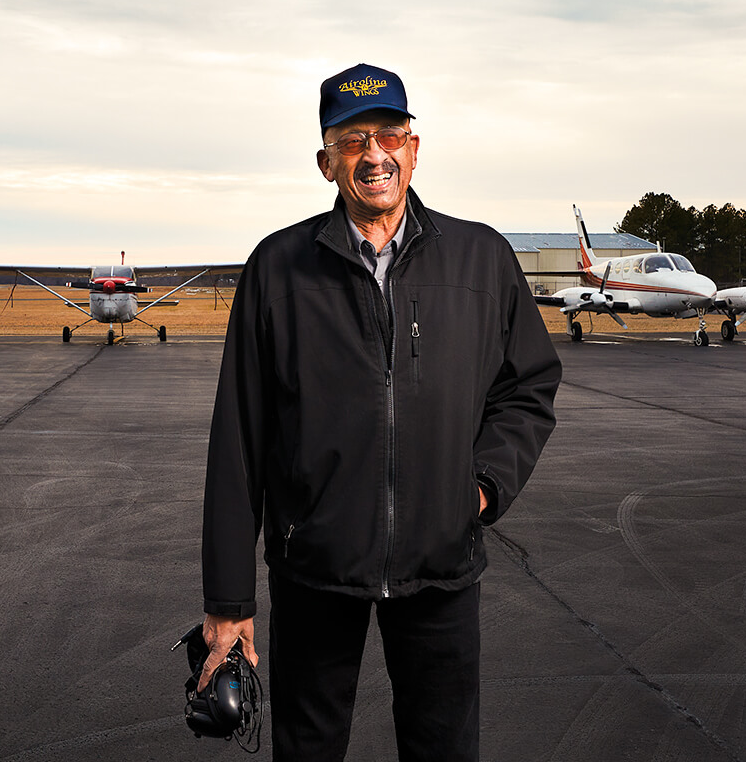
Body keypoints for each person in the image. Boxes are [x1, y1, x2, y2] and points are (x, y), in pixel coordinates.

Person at [197, 63, 561, 761]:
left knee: (444, 749)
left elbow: (529, 385)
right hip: (314, 568)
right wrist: (227, 597)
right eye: (353, 139)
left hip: (441, 561)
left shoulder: (482, 258)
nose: (374, 155)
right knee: (307, 750)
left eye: (389, 135)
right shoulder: (277, 268)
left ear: (414, 148)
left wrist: (480, 487)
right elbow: (238, 436)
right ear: (325, 161)